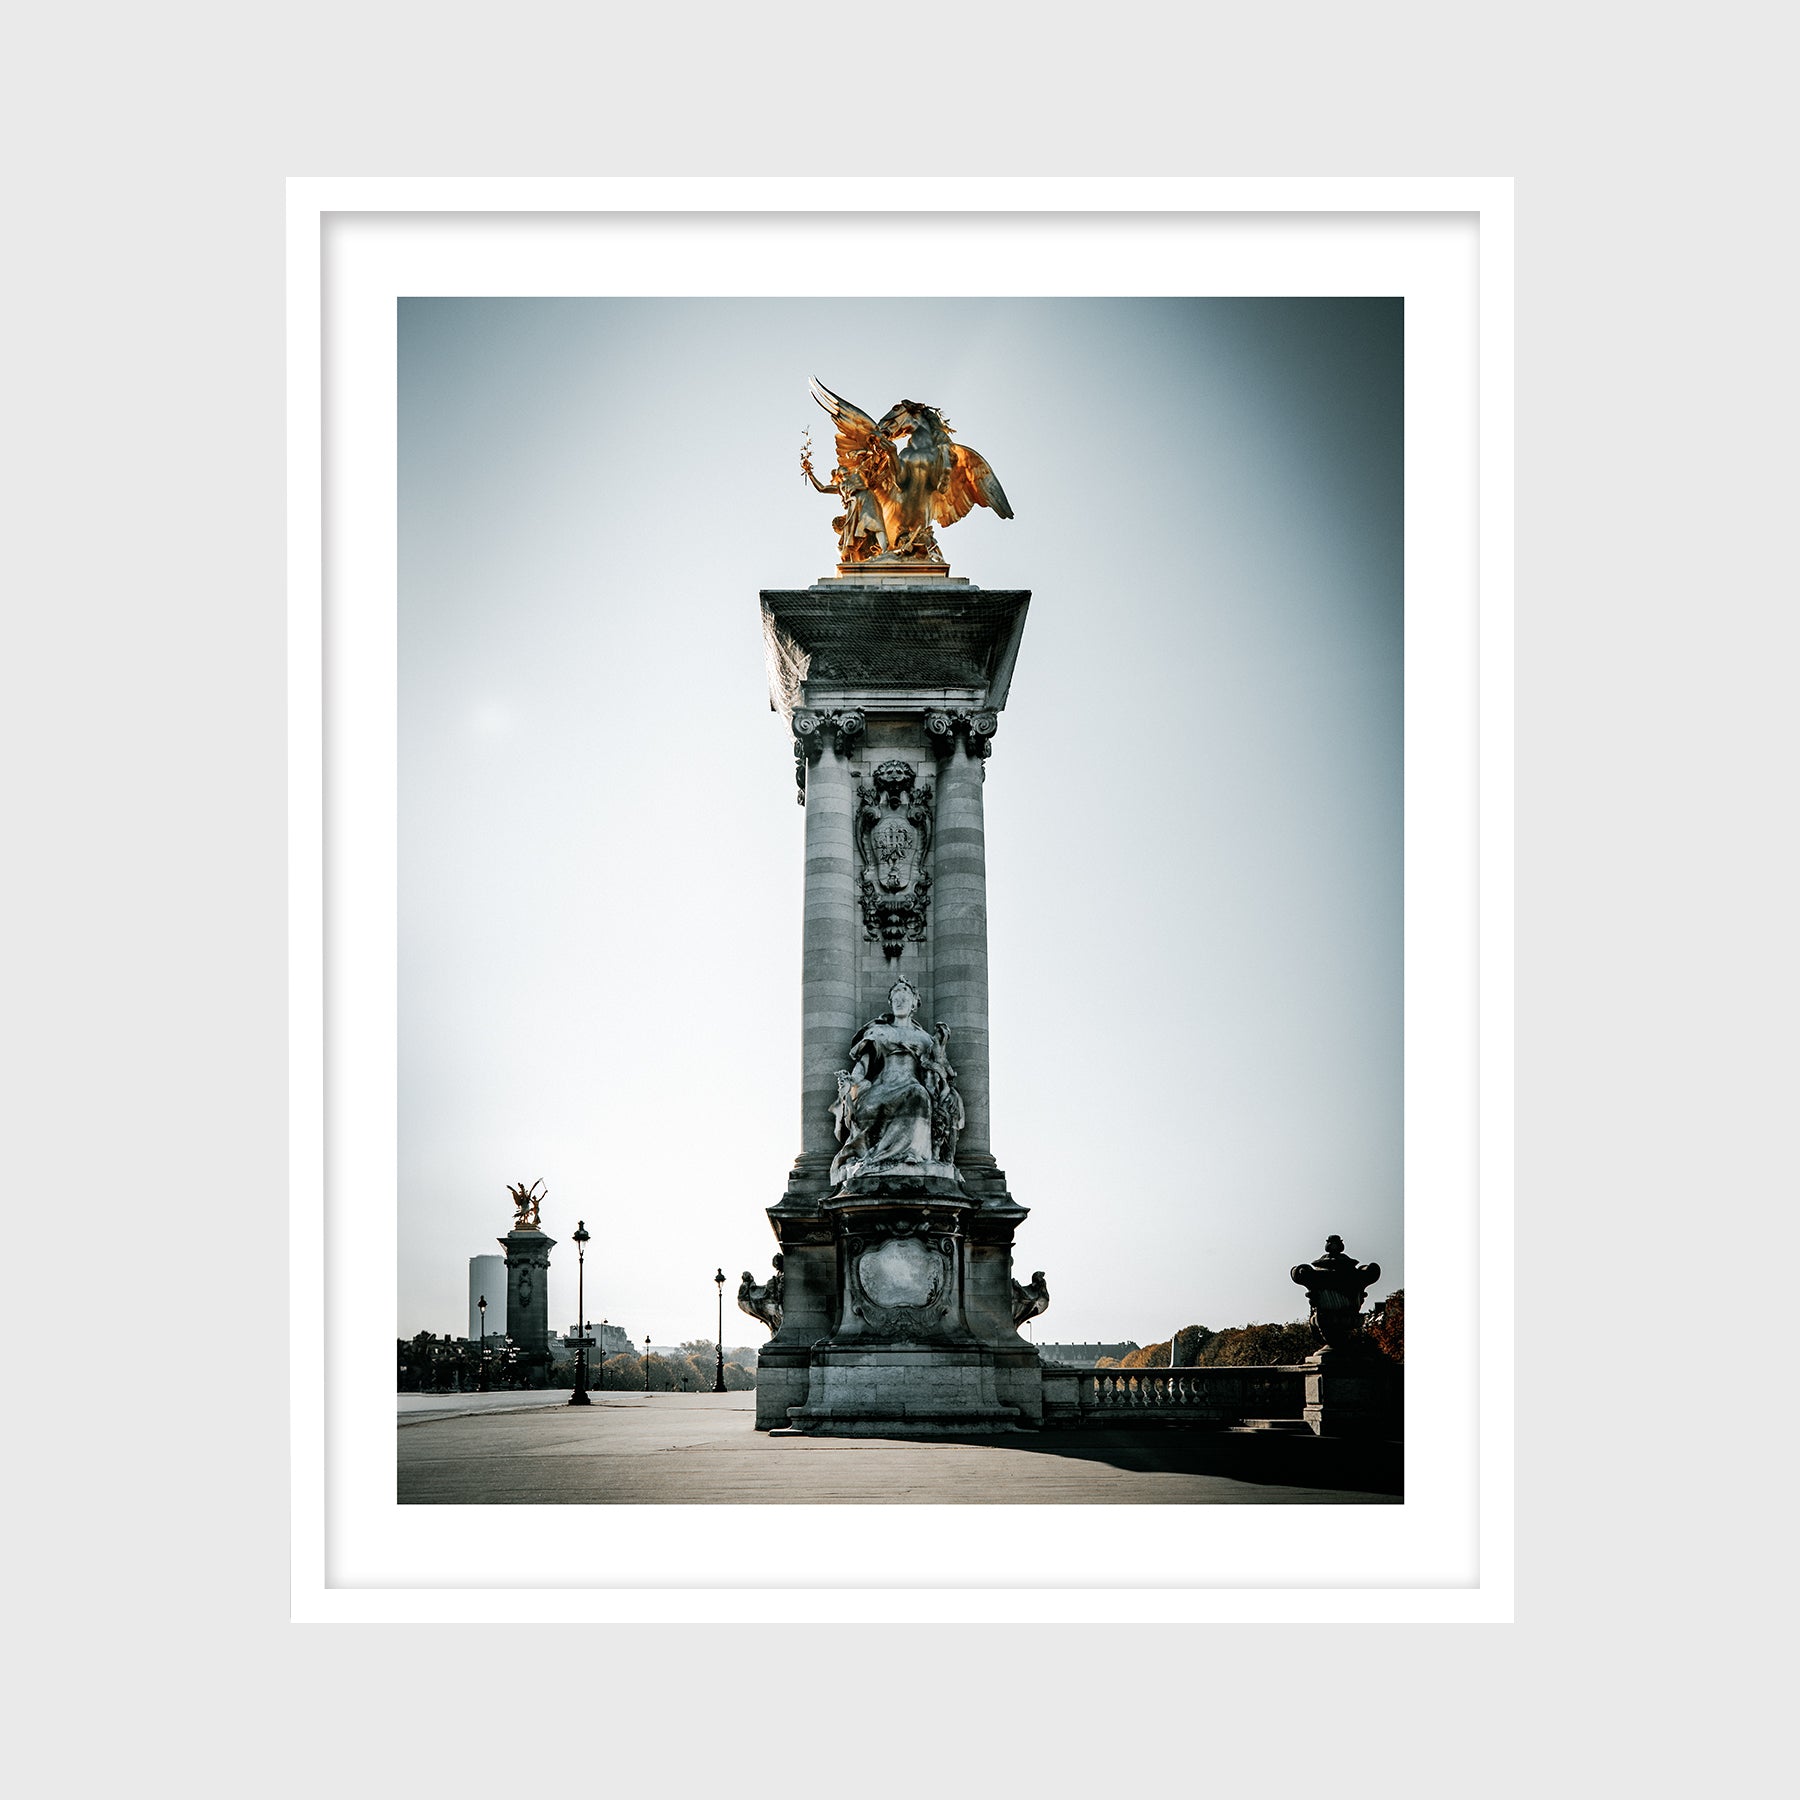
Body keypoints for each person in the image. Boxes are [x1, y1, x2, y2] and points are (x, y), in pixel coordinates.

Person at [831, 977, 961, 1182]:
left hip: (912, 1087)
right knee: (914, 1094)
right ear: (890, 1003)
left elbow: (938, 1072)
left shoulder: (925, 1039)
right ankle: (883, 1157)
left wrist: (941, 1050)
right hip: (880, 1089)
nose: (900, 1002)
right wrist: (851, 1082)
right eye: (896, 998)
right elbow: (863, 1066)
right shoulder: (879, 1031)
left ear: (914, 1005)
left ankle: (913, 1154)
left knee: (918, 1094)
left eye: (905, 998)